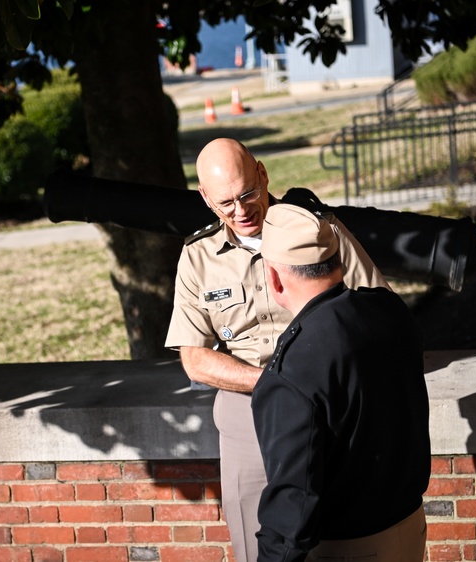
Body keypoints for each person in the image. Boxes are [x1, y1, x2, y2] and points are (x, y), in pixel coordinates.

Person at [164, 138, 390, 562]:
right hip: (249, 408)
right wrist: (277, 383)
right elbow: (193, 359)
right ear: (206, 199)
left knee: (341, 540)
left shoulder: (317, 230)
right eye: (225, 203)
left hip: (329, 401)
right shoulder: (197, 257)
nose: (241, 210)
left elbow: (378, 311)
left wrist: (318, 383)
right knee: (258, 545)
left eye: (248, 193)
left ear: (264, 174)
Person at [253, 204, 430, 561]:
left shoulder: (293, 370)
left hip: (348, 549)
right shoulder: (389, 310)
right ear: (338, 260)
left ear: (273, 277)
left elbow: (293, 504)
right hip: (410, 526)